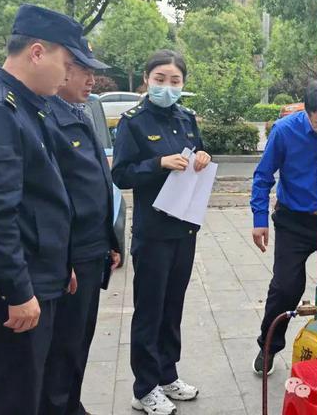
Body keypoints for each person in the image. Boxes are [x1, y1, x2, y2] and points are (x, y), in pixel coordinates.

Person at [0, 4, 83, 415]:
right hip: (15, 290)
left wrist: (61, 264)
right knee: (12, 395)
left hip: (36, 275)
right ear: (38, 52)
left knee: (30, 388)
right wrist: (18, 289)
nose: (68, 76)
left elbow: (38, 200)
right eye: (66, 63)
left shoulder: (24, 106)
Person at [112, 49, 211, 415]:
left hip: (184, 227)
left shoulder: (187, 118)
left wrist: (202, 157)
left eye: (175, 81)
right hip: (153, 232)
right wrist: (158, 163)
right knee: (150, 310)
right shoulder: (133, 122)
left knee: (173, 307)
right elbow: (120, 174)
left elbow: (199, 154)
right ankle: (145, 388)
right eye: (160, 80)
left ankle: (168, 374)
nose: (167, 87)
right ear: (146, 80)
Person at [42, 37, 122, 415]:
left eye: (94, 73)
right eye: (85, 71)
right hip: (70, 256)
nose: (93, 80)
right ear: (62, 69)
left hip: (92, 249)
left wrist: (111, 238)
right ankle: (59, 406)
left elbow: (96, 187)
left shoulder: (82, 111)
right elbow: (53, 200)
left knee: (79, 339)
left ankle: (71, 403)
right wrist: (64, 257)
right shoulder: (47, 119)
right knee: (63, 343)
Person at [250, 81, 317, 375]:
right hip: (294, 220)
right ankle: (268, 347)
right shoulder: (285, 130)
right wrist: (259, 220)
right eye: (315, 115)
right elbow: (263, 176)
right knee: (286, 288)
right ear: (305, 108)